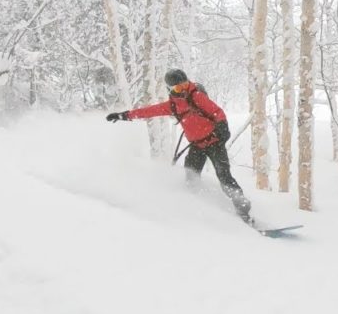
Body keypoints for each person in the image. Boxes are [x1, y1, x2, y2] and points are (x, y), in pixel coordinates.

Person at [106, 69, 253, 223]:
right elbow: (149, 111)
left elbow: (217, 112)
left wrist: (222, 126)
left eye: (184, 85)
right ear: (170, 89)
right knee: (191, 178)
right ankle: (198, 209)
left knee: (224, 177)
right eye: (177, 88)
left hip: (214, 143)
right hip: (197, 146)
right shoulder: (173, 106)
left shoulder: (196, 96)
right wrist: (124, 115)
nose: (183, 90)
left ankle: (243, 210)